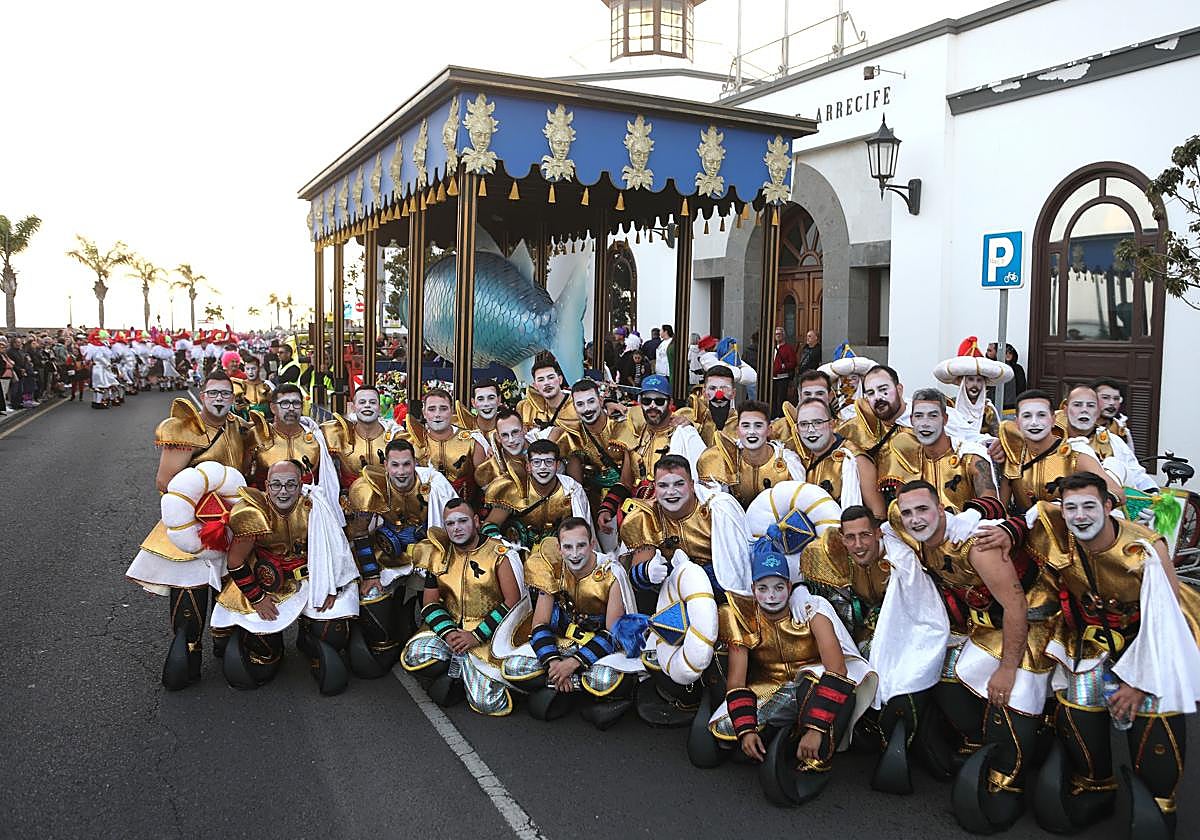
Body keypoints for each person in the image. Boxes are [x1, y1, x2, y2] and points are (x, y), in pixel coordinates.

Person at [869, 480, 1056, 832]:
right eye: (908, 513)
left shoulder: (975, 544)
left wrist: (1007, 669)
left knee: (1013, 694)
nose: (915, 518)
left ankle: (1008, 780)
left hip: (1033, 620)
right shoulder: (909, 528)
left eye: (923, 510)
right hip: (982, 625)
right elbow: (884, 524)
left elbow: (1016, 606)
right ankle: (980, 742)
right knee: (940, 670)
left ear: (941, 509)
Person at [1024, 472, 1200, 838]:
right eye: (1071, 507)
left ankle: (1158, 803)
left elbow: (1165, 624)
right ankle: (1095, 785)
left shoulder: (1144, 550)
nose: (1080, 516)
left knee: (1156, 709)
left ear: (1108, 506)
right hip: (1094, 644)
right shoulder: (1060, 541)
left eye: (1089, 506)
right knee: (1078, 703)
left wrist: (1138, 683)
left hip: (1150, 644)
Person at [709, 548, 874, 805]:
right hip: (771, 689)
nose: (771, 596)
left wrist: (816, 729)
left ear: (789, 586)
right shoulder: (742, 617)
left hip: (815, 689)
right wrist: (746, 730)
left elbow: (837, 670)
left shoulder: (812, 610)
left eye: (778, 587)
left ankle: (817, 758)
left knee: (813, 680)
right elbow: (736, 682)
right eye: (763, 588)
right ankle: (787, 735)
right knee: (724, 731)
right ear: (753, 589)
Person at [124, 371, 251, 690]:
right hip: (192, 528)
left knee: (232, 587)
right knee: (190, 595)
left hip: (231, 524)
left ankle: (226, 642)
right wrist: (206, 508)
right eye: (214, 393)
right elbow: (165, 481)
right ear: (202, 395)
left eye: (226, 394)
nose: (220, 399)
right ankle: (188, 655)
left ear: (233, 397)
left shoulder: (239, 426)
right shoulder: (186, 429)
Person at [619, 455, 752, 723]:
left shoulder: (716, 510)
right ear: (654, 487)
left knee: (726, 635)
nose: (671, 492)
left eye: (678, 484)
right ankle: (686, 696)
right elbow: (636, 575)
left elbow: (737, 572)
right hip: (674, 600)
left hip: (724, 598)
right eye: (663, 485)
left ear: (692, 484)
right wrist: (648, 572)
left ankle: (730, 699)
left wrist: (698, 580)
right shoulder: (646, 517)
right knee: (651, 642)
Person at [212, 460, 360, 695]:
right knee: (263, 646)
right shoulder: (252, 512)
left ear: (300, 485)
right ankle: (268, 651)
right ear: (267, 486)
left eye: (291, 485)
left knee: (333, 632)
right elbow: (235, 561)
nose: (283, 491)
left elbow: (334, 548)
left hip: (313, 578)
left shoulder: (315, 506)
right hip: (267, 584)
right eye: (277, 485)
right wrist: (257, 598)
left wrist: (331, 586)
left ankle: (310, 643)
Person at [498, 518, 644, 728]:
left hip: (599, 649)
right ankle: (571, 684)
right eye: (568, 547)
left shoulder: (611, 573)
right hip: (561, 642)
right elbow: (540, 623)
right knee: (512, 667)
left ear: (592, 544)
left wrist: (572, 663)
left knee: (605, 680)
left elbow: (614, 632)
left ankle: (558, 684)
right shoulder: (552, 567)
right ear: (559, 548)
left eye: (581, 545)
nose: (575, 554)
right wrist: (554, 663)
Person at [402, 498, 524, 715]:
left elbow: (512, 602)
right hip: (450, 629)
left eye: (462, 521)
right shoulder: (438, 554)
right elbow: (429, 603)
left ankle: (465, 673)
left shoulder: (499, 553)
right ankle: (459, 669)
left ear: (476, 521)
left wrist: (475, 636)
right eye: (450, 523)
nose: (456, 528)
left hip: (489, 637)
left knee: (489, 703)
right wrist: (449, 633)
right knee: (415, 655)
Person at [344, 438, 455, 676]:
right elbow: (359, 532)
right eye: (395, 465)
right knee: (372, 598)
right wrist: (370, 575)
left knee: (440, 597)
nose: (401, 471)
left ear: (415, 462)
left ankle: (429, 637)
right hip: (385, 556)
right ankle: (384, 643)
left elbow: (452, 524)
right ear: (385, 465)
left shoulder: (435, 484)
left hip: (425, 556)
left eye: (406, 464)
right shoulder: (368, 487)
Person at [995, 390, 1122, 513]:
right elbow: (1002, 508)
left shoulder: (1074, 456)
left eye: (1041, 415)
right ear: (1017, 422)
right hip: (1020, 525)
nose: (1034, 422)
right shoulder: (1014, 455)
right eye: (1027, 416)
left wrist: (1076, 504)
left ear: (1053, 420)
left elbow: (1118, 494)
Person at [799, 505, 891, 658]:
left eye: (865, 535)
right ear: (842, 537)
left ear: (877, 533)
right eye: (850, 537)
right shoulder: (837, 558)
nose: (858, 545)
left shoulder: (896, 557)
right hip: (862, 637)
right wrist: (799, 589)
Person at [559, 378, 634, 547]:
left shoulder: (622, 424)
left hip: (626, 500)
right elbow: (576, 487)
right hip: (594, 503)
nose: (587, 409)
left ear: (600, 401)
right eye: (580, 404)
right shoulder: (574, 435)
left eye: (591, 401)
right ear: (574, 407)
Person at [781, 398, 884, 518]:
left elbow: (879, 514)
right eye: (804, 424)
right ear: (797, 429)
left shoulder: (855, 459)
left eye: (817, 422)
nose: (811, 430)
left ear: (832, 424)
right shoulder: (796, 459)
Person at [482, 439, 591, 551]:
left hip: (561, 553)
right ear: (528, 466)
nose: (543, 467)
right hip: (519, 554)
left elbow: (583, 532)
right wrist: (506, 545)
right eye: (536, 462)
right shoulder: (514, 489)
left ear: (557, 465)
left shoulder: (572, 490)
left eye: (549, 461)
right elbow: (489, 525)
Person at [836, 364, 921, 505]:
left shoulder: (924, 420)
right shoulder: (857, 427)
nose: (877, 397)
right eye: (870, 393)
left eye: (883, 390)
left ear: (899, 389)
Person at [696, 400, 805, 509]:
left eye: (758, 426)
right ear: (738, 431)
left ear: (769, 430)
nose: (752, 431)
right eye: (746, 426)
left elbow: (799, 504)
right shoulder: (725, 460)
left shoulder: (789, 463)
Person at [908, 388, 999, 514]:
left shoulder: (970, 456)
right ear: (911, 420)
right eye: (919, 416)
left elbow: (990, 502)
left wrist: (967, 517)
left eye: (933, 416)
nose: (925, 423)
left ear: (945, 419)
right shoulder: (910, 460)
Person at [614, 374, 706, 494]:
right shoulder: (635, 432)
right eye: (646, 401)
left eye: (659, 401)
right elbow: (625, 483)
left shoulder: (683, 433)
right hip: (636, 503)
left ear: (670, 403)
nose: (652, 406)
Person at [1058, 384, 1156, 493]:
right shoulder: (1051, 436)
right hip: (1057, 498)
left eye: (1091, 406)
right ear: (1065, 409)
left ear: (1098, 411)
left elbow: (1136, 473)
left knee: (1113, 464)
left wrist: (1152, 492)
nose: (1084, 410)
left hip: (1104, 500)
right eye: (1077, 405)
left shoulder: (1113, 441)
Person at [397, 388, 477, 496]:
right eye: (432, 409)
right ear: (424, 413)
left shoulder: (471, 441)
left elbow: (484, 483)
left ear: (452, 411)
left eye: (443, 409)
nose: (437, 414)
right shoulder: (412, 444)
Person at [321, 385, 398, 490]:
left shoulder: (395, 436)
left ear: (379, 408)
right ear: (353, 407)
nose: (367, 406)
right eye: (362, 402)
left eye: (372, 402)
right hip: (349, 497)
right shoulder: (336, 434)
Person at [933, 336, 1009, 440]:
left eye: (979, 380)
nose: (975, 384)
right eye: (971, 379)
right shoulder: (950, 405)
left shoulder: (988, 410)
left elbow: (998, 439)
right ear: (963, 382)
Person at [516, 351, 577, 438]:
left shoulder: (577, 405)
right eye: (541, 380)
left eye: (551, 377)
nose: (546, 383)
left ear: (560, 380)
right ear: (535, 385)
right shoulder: (525, 407)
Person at [681, 363, 740, 447]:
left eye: (724, 388)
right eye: (712, 388)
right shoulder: (692, 418)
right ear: (704, 393)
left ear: (733, 393)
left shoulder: (741, 423)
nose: (719, 393)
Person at [472, 407, 530, 491]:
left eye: (515, 432)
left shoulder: (540, 440)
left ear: (524, 430)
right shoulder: (491, 468)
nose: (511, 440)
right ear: (498, 437)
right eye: (505, 435)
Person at [1092, 377, 1136, 454]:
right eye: (1105, 398)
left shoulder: (1121, 429)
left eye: (1116, 398)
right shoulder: (1079, 428)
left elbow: (1130, 457)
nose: (1112, 403)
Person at [769, 326, 797, 419]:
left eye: (779, 334)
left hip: (783, 377)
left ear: (783, 335)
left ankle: (780, 416)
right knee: (773, 398)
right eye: (776, 334)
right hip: (773, 377)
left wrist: (783, 366)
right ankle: (773, 416)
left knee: (781, 398)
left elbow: (793, 363)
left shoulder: (788, 348)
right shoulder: (772, 348)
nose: (777, 336)